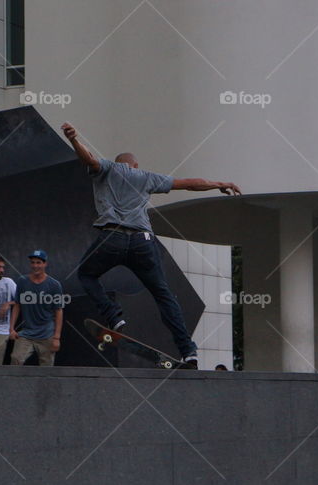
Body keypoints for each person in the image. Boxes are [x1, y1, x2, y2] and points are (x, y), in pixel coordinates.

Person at [61, 122, 241, 367]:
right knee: (164, 295)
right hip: (143, 243)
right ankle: (189, 351)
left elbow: (89, 160)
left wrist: (73, 140)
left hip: (112, 238)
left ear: (119, 162)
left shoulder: (108, 168)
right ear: (135, 164)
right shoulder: (146, 177)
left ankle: (113, 317)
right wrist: (220, 183)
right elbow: (189, 182)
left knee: (85, 274)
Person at [9, 250, 64, 366]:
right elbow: (17, 305)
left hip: (47, 334)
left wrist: (56, 337)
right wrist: (11, 328)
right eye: (33, 263)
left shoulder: (54, 285)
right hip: (27, 333)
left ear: (45, 264)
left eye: (38, 263)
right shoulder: (22, 281)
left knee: (46, 367)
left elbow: (58, 310)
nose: (35, 266)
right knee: (16, 359)